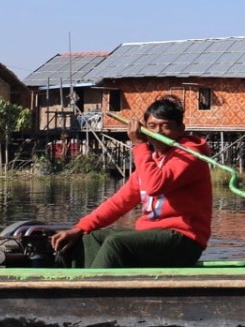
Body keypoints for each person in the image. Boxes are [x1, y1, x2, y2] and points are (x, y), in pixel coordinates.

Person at [50, 96, 212, 268]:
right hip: (152, 237)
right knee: (90, 238)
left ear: (181, 129)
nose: (158, 133)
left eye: (166, 127)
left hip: (183, 241)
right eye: (152, 127)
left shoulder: (190, 156)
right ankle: (75, 284)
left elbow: (154, 185)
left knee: (116, 243)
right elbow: (119, 203)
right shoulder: (151, 161)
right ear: (144, 129)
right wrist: (80, 228)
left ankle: (94, 290)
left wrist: (139, 145)